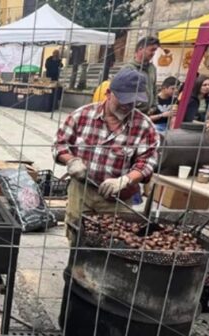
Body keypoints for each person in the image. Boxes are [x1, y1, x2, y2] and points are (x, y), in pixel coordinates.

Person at [52, 68, 159, 237]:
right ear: (108, 93)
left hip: (118, 198)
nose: (128, 106)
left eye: (134, 102)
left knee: (113, 240)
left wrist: (125, 180)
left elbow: (147, 162)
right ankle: (75, 262)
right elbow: (60, 145)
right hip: (82, 191)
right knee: (76, 233)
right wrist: (71, 161)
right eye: (123, 100)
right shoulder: (82, 115)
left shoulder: (144, 126)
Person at [121, 36, 160, 113]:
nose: (153, 53)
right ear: (140, 49)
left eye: (155, 50)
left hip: (147, 113)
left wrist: (154, 106)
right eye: (152, 50)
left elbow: (154, 88)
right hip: (131, 114)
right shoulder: (128, 69)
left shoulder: (152, 68)